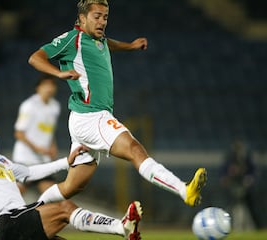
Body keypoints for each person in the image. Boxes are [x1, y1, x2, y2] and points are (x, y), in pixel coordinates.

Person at [28, 0, 207, 207]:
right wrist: (58, 73)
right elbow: (35, 57)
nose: (102, 22)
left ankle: (30, 210)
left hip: (83, 118)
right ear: (82, 18)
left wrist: (130, 46)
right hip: (92, 116)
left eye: (105, 17)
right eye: (97, 17)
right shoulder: (72, 39)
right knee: (135, 149)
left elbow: (106, 43)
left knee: (72, 186)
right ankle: (184, 190)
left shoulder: (98, 38)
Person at [0, 111, 143, 240]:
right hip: (6, 225)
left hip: (20, 223)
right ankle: (121, 227)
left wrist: (65, 161)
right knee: (64, 208)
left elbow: (29, 172)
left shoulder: (1, 162)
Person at [12, 74, 60, 195]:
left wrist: (53, 146)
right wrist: (37, 148)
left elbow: (50, 131)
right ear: (38, 88)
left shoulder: (55, 106)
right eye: (46, 85)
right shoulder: (29, 106)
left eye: (52, 85)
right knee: (14, 197)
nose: (49, 88)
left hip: (43, 160)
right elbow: (19, 133)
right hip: (25, 159)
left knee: (53, 197)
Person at [220, 138, 259, 230]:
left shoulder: (246, 159)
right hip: (232, 187)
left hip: (244, 188)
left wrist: (249, 179)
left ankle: (251, 227)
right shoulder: (230, 158)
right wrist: (226, 177)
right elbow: (223, 173)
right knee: (232, 207)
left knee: (247, 208)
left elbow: (252, 172)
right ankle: (230, 226)